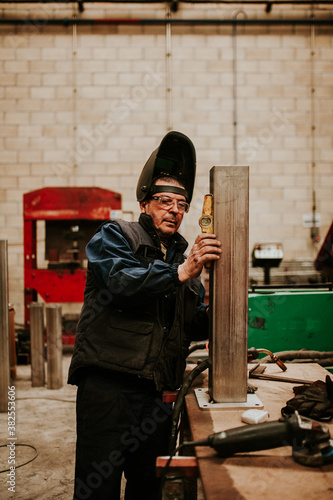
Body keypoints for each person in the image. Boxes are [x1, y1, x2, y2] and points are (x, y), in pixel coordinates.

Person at [68, 131, 221, 500]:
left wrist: (224, 303)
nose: (175, 210)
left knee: (147, 487)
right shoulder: (116, 236)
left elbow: (191, 322)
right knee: (96, 489)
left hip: (157, 397)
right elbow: (121, 283)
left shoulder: (183, 258)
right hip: (109, 386)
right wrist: (182, 273)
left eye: (182, 204)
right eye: (165, 201)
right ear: (145, 203)